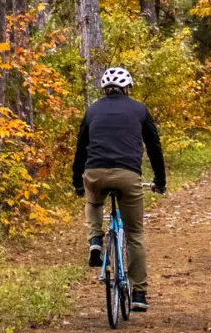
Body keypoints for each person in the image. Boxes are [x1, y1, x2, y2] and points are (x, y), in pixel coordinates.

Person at [72, 64, 167, 312]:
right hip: (128, 176)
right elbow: (154, 147)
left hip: (95, 173)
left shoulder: (92, 111)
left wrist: (77, 183)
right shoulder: (139, 110)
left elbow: (80, 149)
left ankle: (95, 240)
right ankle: (139, 294)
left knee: (93, 202)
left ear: (104, 89)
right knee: (135, 234)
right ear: (127, 89)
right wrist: (160, 180)